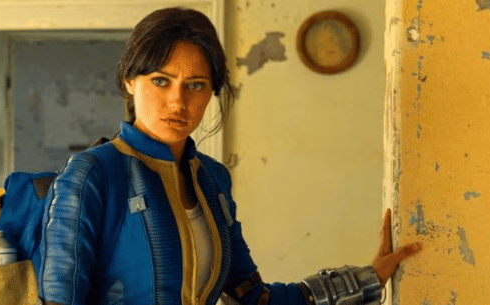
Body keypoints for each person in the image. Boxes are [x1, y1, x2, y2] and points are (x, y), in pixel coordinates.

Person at [35, 7, 421, 305]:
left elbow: (255, 299)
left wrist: (368, 278)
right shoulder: (93, 173)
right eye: (161, 81)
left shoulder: (213, 179)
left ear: (211, 93)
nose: (178, 101)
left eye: (195, 85)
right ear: (129, 81)